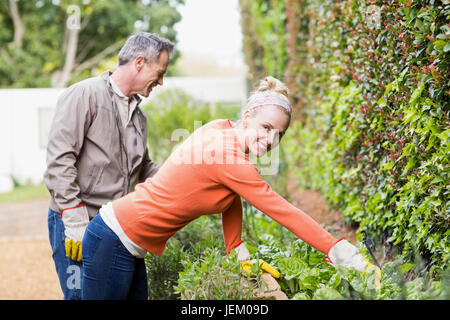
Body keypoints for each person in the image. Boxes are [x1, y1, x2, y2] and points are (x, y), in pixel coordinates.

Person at [81, 76, 381, 300]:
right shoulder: (230, 158)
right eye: (266, 128)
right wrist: (343, 255)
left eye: (280, 134)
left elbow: (228, 196)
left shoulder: (221, 129)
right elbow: (284, 212)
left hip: (122, 240)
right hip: (114, 239)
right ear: (248, 117)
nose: (271, 139)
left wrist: (237, 249)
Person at [44, 32, 173, 300]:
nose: (161, 81)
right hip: (78, 221)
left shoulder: (138, 115)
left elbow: (144, 166)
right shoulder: (84, 95)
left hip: (118, 225)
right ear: (139, 62)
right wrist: (74, 219)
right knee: (80, 295)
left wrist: (180, 177)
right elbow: (59, 160)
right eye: (159, 73)